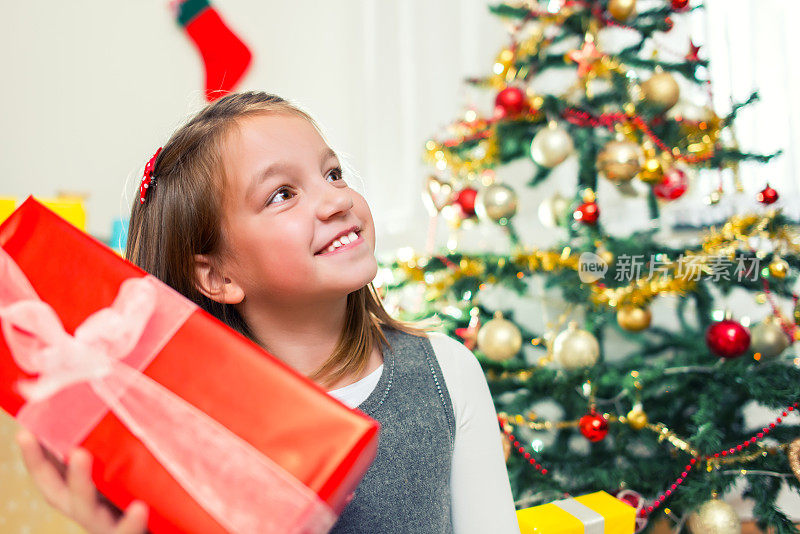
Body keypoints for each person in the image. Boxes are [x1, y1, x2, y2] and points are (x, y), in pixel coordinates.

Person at [15, 91, 521, 534]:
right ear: (217, 277)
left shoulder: (446, 372)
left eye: (333, 173)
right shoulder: (190, 432)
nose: (335, 201)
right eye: (283, 194)